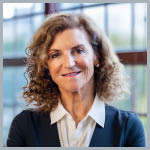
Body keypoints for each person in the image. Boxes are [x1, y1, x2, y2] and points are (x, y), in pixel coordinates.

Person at [7, 12, 146, 147]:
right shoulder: (24, 125)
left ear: (96, 56)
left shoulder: (128, 127)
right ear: (46, 65)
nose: (69, 63)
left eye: (78, 50)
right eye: (55, 55)